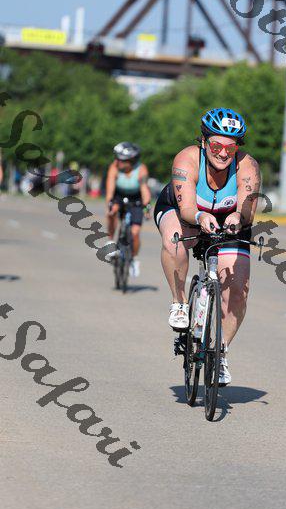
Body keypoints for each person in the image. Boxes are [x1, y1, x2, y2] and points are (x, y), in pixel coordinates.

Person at [153, 107, 261, 385]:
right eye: (216, 146)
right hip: (185, 211)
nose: (223, 153)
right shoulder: (187, 159)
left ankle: (219, 353)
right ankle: (179, 302)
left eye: (230, 147)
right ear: (204, 141)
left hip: (229, 219)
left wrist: (239, 217)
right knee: (175, 240)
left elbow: (248, 208)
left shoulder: (247, 166)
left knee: (239, 287)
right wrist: (201, 217)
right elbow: (188, 208)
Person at [106, 142, 151, 277]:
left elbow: (144, 189)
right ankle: (111, 241)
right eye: (117, 158)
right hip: (119, 196)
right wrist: (110, 203)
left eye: (121, 160)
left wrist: (146, 207)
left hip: (136, 199)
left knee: (135, 232)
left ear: (131, 161)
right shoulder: (114, 167)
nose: (117, 161)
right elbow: (110, 188)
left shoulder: (141, 169)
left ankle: (134, 259)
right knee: (112, 211)